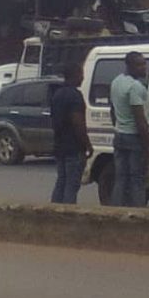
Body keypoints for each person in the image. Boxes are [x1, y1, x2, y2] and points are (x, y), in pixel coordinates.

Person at [110, 51, 149, 207]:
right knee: (137, 179)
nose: (144, 68)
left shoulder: (116, 82)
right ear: (129, 66)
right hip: (133, 137)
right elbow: (140, 120)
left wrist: (118, 126)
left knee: (120, 178)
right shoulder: (135, 87)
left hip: (120, 134)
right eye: (140, 65)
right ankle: (138, 212)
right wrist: (148, 144)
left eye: (144, 64)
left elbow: (113, 110)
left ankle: (115, 212)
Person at [50, 62, 92, 204]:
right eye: (81, 74)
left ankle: (53, 213)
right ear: (75, 75)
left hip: (59, 145)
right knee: (71, 186)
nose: (83, 78)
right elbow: (78, 123)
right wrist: (87, 145)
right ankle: (68, 214)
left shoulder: (57, 94)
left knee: (61, 181)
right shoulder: (75, 96)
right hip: (73, 148)